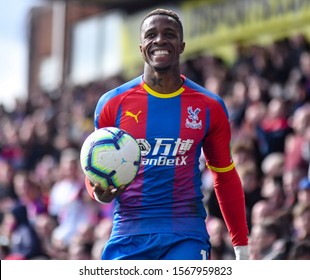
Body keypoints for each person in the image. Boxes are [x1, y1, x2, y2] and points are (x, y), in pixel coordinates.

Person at [84, 8, 249, 260]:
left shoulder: (209, 106)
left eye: (169, 34)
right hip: (129, 233)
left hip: (186, 234)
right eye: (151, 35)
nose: (160, 40)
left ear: (181, 46)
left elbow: (224, 175)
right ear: (141, 48)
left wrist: (241, 246)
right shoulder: (111, 104)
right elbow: (94, 170)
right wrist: (98, 192)